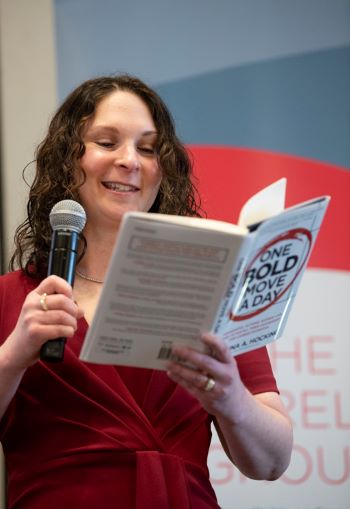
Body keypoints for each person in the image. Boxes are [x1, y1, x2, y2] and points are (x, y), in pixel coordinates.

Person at [0, 75, 293, 509]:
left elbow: (271, 462)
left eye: (148, 148)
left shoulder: (212, 290)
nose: (129, 161)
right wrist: (13, 355)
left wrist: (230, 398)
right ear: (67, 160)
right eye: (106, 142)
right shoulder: (12, 296)